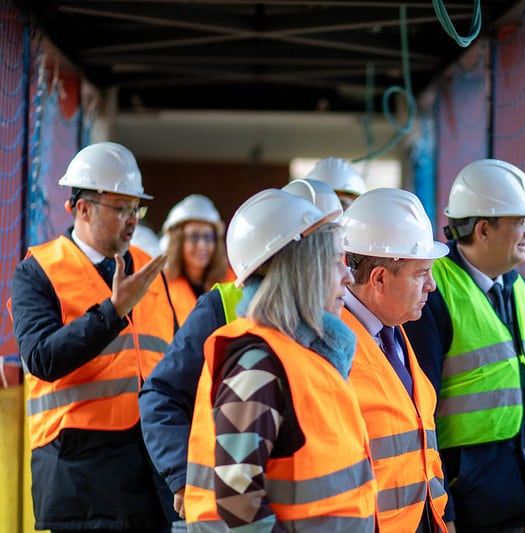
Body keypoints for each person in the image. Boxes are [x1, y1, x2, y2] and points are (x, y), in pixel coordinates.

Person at [138, 179, 343, 526]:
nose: (339, 270)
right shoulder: (220, 307)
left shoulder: (333, 310)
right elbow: (161, 394)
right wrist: (182, 476)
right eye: (322, 248)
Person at [10, 141, 177, 533]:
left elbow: (172, 360)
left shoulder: (148, 270)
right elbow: (42, 359)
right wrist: (112, 312)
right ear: (82, 209)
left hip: (150, 480)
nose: (132, 219)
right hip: (79, 482)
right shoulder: (38, 273)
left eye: (136, 208)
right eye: (121, 209)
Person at [186, 189, 377, 531]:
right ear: (303, 270)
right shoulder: (256, 361)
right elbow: (237, 499)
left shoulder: (302, 355)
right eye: (337, 263)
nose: (348, 278)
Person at [403, 159, 525, 533]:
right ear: (484, 229)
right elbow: (418, 416)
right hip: (468, 513)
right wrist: (445, 510)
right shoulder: (432, 295)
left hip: (520, 507)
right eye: (521, 221)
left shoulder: (519, 290)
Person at [338, 188, 450, 532]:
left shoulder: (395, 328)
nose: (431, 286)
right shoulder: (330, 347)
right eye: (420, 274)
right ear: (380, 279)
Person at [161, 194, 234, 325]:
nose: (202, 245)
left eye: (208, 237)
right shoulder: (162, 285)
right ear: (178, 242)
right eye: (194, 236)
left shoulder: (233, 282)